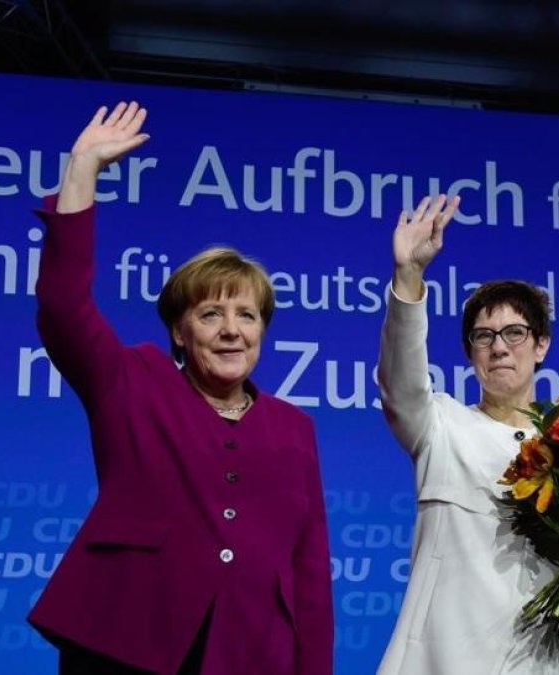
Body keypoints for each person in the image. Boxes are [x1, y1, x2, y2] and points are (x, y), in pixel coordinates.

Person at [27, 101, 333, 675]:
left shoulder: (294, 428)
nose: (231, 330)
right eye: (211, 314)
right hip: (124, 639)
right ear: (180, 330)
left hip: (248, 653)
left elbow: (309, 568)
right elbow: (63, 307)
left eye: (247, 315)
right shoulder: (132, 382)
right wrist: (82, 172)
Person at [376, 194, 559, 674]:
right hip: (446, 661)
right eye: (484, 336)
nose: (499, 348)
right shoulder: (441, 426)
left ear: (542, 345)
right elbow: (399, 380)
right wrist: (409, 276)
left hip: (550, 663)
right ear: (470, 353)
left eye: (515, 333)